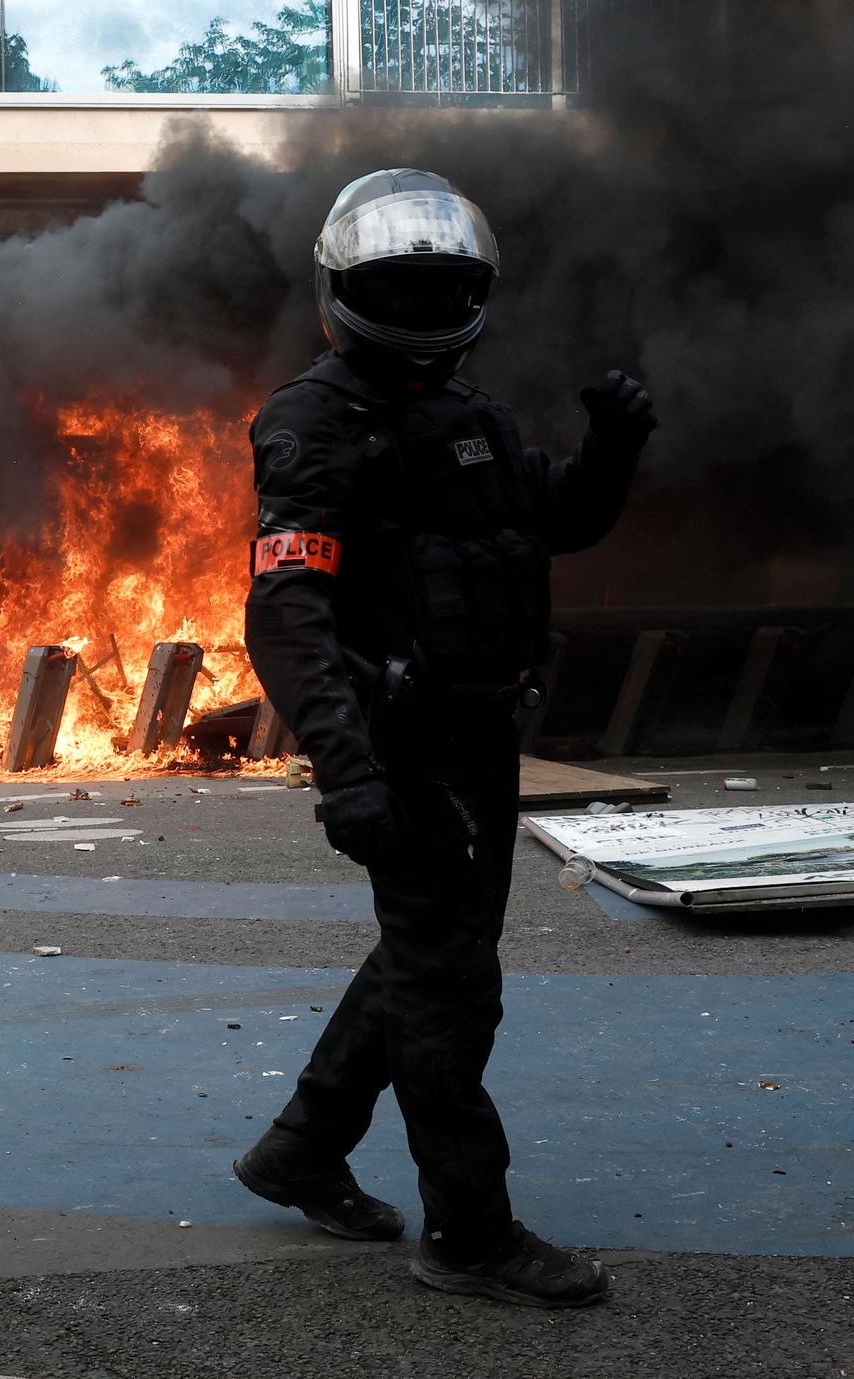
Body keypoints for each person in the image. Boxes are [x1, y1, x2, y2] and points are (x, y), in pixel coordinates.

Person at [235, 168, 655, 1309]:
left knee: (430, 955)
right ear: (343, 294)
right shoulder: (313, 421)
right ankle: (468, 1230)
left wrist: (610, 450)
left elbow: (550, 516)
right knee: (449, 987)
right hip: (400, 744)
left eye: (439, 290)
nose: (422, 313)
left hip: (478, 737)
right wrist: (343, 762)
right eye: (400, 291)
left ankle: (299, 1149)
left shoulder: (472, 415)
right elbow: (287, 606)